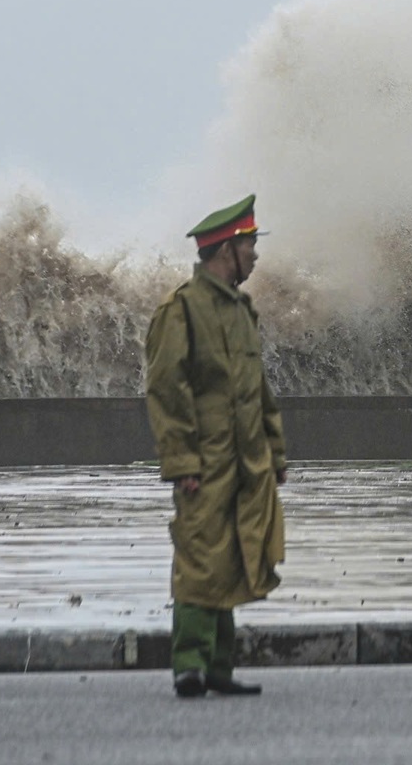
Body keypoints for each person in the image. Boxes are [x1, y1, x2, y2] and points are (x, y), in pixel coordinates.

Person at [144, 194, 288, 698]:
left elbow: (258, 390)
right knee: (201, 559)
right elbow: (166, 388)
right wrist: (181, 461)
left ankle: (219, 670)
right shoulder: (181, 310)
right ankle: (188, 663)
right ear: (227, 249)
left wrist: (275, 454)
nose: (255, 256)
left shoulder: (240, 310)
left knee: (232, 559)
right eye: (249, 245)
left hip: (247, 462)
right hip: (204, 461)